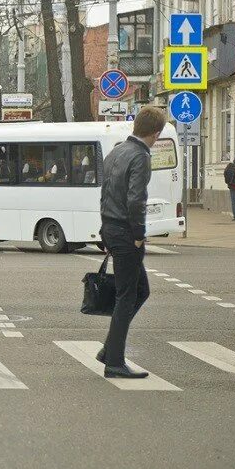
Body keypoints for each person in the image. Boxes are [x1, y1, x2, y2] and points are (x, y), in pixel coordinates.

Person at [96, 105, 167, 380]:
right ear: (156, 133)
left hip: (112, 229)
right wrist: (139, 234)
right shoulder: (140, 156)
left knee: (140, 290)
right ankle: (114, 361)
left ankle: (109, 349)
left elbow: (104, 193)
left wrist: (104, 230)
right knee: (128, 295)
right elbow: (136, 199)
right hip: (127, 233)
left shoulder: (116, 151)